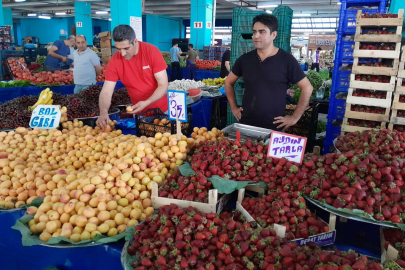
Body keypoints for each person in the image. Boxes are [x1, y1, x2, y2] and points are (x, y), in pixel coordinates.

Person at [224, 14, 313, 131]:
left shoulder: (287, 60)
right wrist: (234, 108)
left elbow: (307, 87)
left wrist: (295, 117)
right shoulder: (244, 60)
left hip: (274, 126)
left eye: (262, 32)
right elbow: (228, 83)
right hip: (246, 124)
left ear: (273, 35)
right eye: (254, 32)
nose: (256, 36)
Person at [96, 25, 169, 130]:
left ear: (135, 41)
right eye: (118, 49)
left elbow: (163, 84)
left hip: (162, 111)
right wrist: (103, 112)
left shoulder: (151, 52)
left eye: (126, 48)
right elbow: (106, 91)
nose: (123, 53)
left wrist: (147, 102)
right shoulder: (115, 61)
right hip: (139, 114)